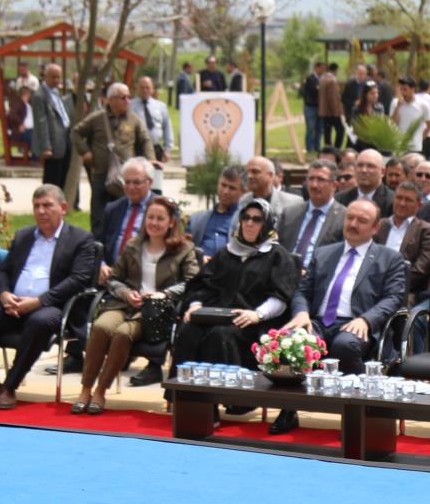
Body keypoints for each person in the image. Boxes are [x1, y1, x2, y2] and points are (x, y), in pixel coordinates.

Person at [267, 200, 409, 435]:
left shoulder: (389, 258)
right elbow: (302, 291)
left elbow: (393, 298)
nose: (353, 224)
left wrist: (366, 319)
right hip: (318, 322)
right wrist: (301, 312)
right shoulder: (324, 253)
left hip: (357, 323)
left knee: (345, 345)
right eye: (349, 218)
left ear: (375, 228)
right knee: (292, 343)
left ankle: (361, 414)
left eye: (361, 221)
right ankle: (289, 410)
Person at [0, 186, 101, 409]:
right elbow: (2, 271)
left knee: (40, 321)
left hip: (52, 306)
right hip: (13, 302)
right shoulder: (24, 236)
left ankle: (9, 386)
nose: (41, 211)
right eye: (36, 206)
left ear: (63, 208)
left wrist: (38, 301)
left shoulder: (80, 239)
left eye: (47, 205)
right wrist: (4, 294)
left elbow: (78, 279)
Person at [74, 195, 199, 415]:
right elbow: (113, 279)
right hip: (124, 304)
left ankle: (101, 391)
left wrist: (163, 294)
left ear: (171, 222)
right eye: (150, 217)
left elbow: (193, 282)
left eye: (160, 218)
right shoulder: (133, 245)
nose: (154, 223)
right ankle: (85, 389)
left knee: (123, 333)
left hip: (155, 311)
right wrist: (125, 293)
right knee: (101, 327)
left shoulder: (184, 249)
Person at [174, 197, 299, 377]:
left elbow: (281, 297)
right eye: (245, 217)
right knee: (188, 330)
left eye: (257, 219)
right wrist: (195, 306)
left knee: (220, 335)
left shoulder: (278, 256)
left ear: (267, 224)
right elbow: (202, 285)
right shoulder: (226, 253)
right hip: (218, 316)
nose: (249, 223)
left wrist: (257, 315)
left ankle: (226, 392)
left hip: (253, 323)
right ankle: (185, 392)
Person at [74, 82, 154, 209]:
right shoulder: (97, 118)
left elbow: (145, 139)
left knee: (122, 211)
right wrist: (85, 151)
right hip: (100, 174)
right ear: (111, 100)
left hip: (124, 178)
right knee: (99, 211)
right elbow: (76, 132)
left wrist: (150, 160)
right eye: (123, 98)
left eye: (129, 97)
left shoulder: (134, 119)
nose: (127, 101)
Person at [378, 180, 430, 303]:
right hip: (371, 287)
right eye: (399, 198)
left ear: (419, 205)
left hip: (404, 292)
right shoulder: (379, 225)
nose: (402, 203)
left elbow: (420, 271)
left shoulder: (428, 231)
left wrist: (388, 284)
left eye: (408, 200)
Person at [34, 63, 76, 196]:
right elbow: (41, 122)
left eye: (59, 77)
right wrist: (46, 147)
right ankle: (47, 201)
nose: (56, 80)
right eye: (53, 77)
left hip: (65, 139)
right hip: (53, 143)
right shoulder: (40, 95)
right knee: (52, 178)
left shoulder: (57, 92)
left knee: (63, 176)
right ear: (45, 76)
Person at [188, 166, 246, 259]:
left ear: (243, 192)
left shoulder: (246, 221)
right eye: (223, 185)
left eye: (232, 188)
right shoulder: (196, 220)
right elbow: (184, 251)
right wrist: (199, 258)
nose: (225, 191)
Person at [129, 75, 174, 172]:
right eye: (142, 87)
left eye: (147, 87)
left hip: (155, 148)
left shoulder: (161, 106)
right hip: (136, 149)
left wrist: (167, 149)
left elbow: (167, 127)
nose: (145, 90)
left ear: (152, 89)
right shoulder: (130, 106)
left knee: (155, 177)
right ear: (137, 89)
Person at [338, 147, 394, 217]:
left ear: (382, 172)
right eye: (360, 165)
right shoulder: (340, 200)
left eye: (370, 166)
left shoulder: (392, 202)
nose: (364, 170)